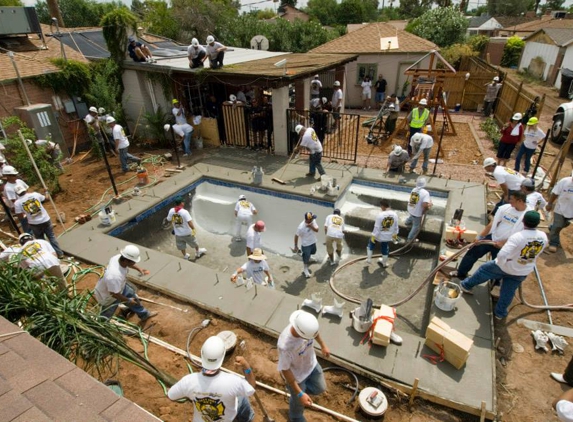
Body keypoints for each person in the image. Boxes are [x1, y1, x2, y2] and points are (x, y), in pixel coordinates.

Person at [459, 211, 547, 319]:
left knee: (484, 270)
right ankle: (500, 313)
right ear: (538, 223)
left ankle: (466, 285)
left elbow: (503, 253)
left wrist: (499, 264)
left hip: (507, 265)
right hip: (523, 270)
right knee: (508, 291)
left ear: (523, 221)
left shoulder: (518, 236)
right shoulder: (543, 236)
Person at [168, 336, 256, 422]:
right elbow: (251, 387)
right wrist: (246, 366)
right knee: (242, 398)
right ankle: (247, 419)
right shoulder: (233, 382)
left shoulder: (188, 381)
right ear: (223, 357)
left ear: (202, 355)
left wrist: (195, 394)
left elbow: (171, 395)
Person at [450, 190, 530, 281]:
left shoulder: (527, 215)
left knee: (498, 265)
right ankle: (461, 273)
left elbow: (522, 235)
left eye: (511, 199)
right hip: (492, 238)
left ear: (519, 201)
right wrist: (480, 237)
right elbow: (493, 223)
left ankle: (495, 284)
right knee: (472, 252)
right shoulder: (505, 208)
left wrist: (503, 243)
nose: (509, 201)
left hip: (507, 244)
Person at [277, 310, 329, 422]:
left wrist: (323, 345)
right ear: (301, 334)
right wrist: (300, 393)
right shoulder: (285, 346)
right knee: (298, 399)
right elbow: (285, 370)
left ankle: (296, 393)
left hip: (311, 364)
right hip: (296, 375)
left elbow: (315, 333)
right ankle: (295, 416)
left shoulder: (306, 325)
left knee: (320, 388)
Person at [93, 245, 158, 321]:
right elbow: (114, 294)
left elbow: (130, 264)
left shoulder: (118, 258)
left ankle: (144, 314)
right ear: (126, 260)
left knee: (133, 297)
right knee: (105, 316)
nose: (134, 263)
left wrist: (139, 269)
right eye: (133, 261)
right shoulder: (114, 275)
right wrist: (128, 300)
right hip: (108, 297)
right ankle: (100, 327)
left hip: (119, 287)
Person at [13, 185, 63, 258]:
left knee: (41, 240)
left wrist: (27, 215)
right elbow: (46, 198)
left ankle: (48, 256)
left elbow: (20, 216)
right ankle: (59, 253)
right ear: (25, 190)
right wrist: (46, 192)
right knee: (51, 237)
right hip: (45, 219)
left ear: (17, 193)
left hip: (34, 223)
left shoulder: (17, 203)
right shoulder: (35, 194)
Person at [546, 171, 573, 253]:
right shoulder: (564, 181)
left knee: (564, 224)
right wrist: (550, 203)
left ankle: (552, 228)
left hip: (571, 211)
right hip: (560, 208)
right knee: (558, 225)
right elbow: (555, 193)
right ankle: (554, 243)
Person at [367, 199, 399, 268]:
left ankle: (369, 259)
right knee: (385, 248)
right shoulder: (395, 215)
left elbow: (377, 228)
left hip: (378, 236)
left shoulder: (380, 215)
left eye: (381, 206)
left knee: (371, 244)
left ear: (383, 206)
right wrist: (395, 235)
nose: (381, 208)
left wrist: (373, 236)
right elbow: (396, 227)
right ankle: (384, 263)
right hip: (388, 237)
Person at [1, 165, 31, 233]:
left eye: (15, 175)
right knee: (26, 224)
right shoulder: (8, 188)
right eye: (13, 175)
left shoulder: (19, 181)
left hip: (29, 204)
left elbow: (27, 190)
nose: (15, 176)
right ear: (8, 176)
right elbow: (14, 201)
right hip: (20, 208)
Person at [293, 212, 319, 279]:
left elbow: (317, 230)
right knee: (306, 256)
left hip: (313, 241)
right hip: (306, 244)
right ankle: (305, 269)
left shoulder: (313, 221)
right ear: (308, 220)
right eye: (312, 219)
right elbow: (296, 236)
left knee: (313, 252)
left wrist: (311, 226)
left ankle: (308, 257)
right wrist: (295, 246)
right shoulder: (301, 227)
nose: (313, 219)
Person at [405, 177, 431, 242]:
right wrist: (429, 205)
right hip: (417, 212)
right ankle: (410, 238)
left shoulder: (414, 189)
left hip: (411, 208)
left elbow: (414, 201)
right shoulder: (426, 193)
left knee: (412, 215)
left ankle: (407, 221)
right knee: (416, 225)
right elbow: (424, 205)